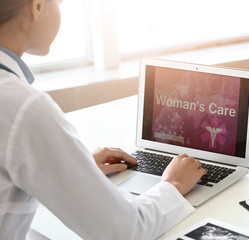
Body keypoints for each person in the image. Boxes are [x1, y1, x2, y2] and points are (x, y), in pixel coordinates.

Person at [0, 0, 207, 239]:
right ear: (37, 7)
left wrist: (69, 170)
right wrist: (174, 185)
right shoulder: (24, 108)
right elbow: (122, 231)